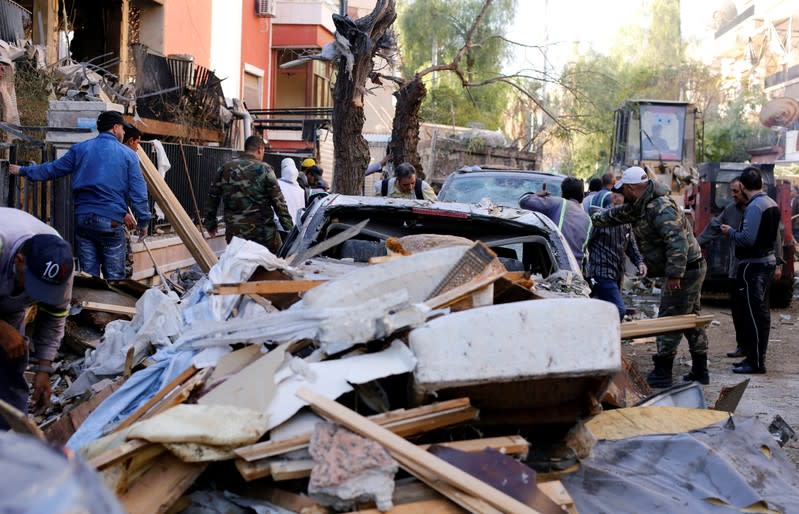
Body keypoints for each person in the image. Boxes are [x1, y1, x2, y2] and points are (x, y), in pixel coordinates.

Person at [592, 166, 709, 387]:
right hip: (686, 268)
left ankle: (663, 371)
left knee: (670, 318)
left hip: (685, 270)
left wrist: (674, 275)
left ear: (632, 188)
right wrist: (595, 218)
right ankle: (700, 370)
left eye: (622, 189)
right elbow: (618, 215)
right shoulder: (640, 204)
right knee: (690, 318)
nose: (620, 194)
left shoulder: (660, 207)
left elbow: (677, 242)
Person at [9, 111, 150, 280]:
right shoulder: (128, 155)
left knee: (88, 277)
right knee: (114, 280)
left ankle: (89, 305)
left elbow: (52, 169)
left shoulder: (80, 149)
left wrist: (22, 170)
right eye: (122, 129)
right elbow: (139, 193)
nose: (124, 133)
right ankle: (109, 306)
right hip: (110, 221)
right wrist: (143, 222)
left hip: (83, 220)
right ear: (115, 128)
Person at [0, 208, 74, 429]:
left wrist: (44, 368)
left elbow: (55, 317)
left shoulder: (60, 263)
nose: (38, 296)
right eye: (34, 286)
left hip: (9, 297)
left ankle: (13, 440)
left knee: (11, 360)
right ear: (19, 261)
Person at [720, 167, 781, 374]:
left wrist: (731, 232)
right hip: (766, 263)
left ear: (744, 187)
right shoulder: (771, 203)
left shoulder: (755, 207)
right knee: (760, 314)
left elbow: (747, 238)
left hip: (754, 266)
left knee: (755, 315)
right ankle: (754, 358)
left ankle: (755, 362)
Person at [203, 135, 293, 253]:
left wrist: (210, 223)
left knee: (239, 265)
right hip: (263, 234)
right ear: (260, 150)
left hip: (235, 233)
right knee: (273, 264)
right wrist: (289, 228)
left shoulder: (225, 168)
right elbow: (278, 201)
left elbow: (213, 197)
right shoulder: (265, 170)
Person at [585, 191, 646, 320]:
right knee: (619, 310)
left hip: (616, 275)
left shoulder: (626, 221)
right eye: (625, 196)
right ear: (615, 198)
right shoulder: (599, 219)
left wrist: (640, 262)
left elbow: (631, 246)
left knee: (603, 309)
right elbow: (585, 242)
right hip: (600, 274)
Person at [520, 176, 591, 263]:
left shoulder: (557, 203)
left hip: (556, 265)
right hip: (576, 269)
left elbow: (524, 201)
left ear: (563, 193)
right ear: (582, 195)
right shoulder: (587, 219)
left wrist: (539, 195)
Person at [277, 158, 306, 228]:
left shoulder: (277, 184)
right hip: (295, 230)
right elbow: (302, 212)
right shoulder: (301, 190)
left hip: (280, 227)